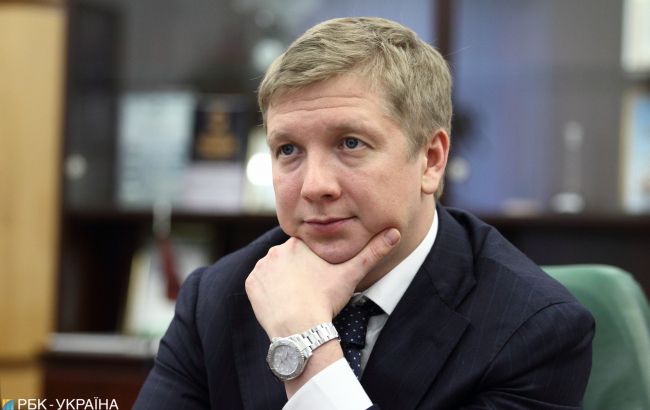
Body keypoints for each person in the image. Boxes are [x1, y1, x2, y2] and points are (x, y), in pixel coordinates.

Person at [134, 17, 594, 409]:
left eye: (350, 143)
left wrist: (305, 343)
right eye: (288, 149)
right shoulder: (216, 298)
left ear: (431, 160)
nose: (315, 186)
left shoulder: (534, 330)